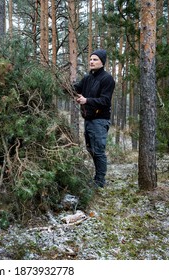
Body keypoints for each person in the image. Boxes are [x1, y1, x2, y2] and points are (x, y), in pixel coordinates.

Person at [74, 49, 115, 188]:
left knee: (98, 151)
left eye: (95, 59)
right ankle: (97, 178)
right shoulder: (88, 78)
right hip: (88, 119)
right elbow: (76, 88)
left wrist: (87, 100)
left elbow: (105, 101)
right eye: (90, 59)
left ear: (102, 62)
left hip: (100, 120)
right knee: (90, 149)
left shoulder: (107, 79)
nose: (91, 61)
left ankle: (99, 182)